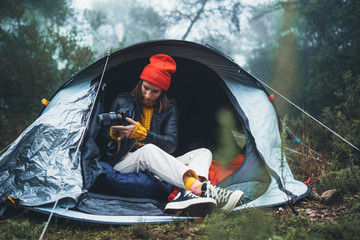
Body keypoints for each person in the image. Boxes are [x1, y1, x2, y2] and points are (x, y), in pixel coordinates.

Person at [98, 54, 244, 214]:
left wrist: (144, 134)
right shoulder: (121, 100)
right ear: (140, 83)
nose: (147, 95)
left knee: (203, 152)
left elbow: (171, 145)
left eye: (154, 91)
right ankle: (201, 190)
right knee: (148, 150)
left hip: (156, 161)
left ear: (162, 92)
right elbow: (101, 143)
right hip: (125, 161)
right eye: (145, 87)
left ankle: (188, 195)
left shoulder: (170, 108)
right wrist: (112, 135)